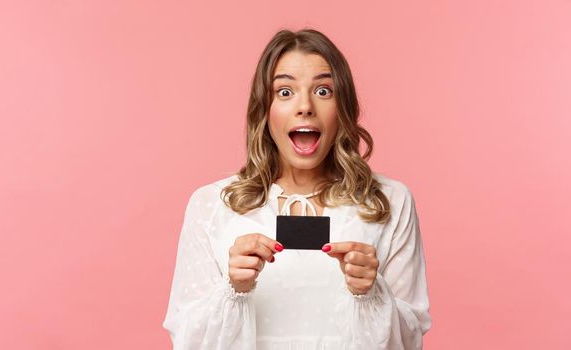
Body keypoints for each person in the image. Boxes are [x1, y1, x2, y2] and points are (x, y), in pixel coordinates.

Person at [162, 28, 431, 349]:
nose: (304, 106)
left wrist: (371, 293)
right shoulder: (211, 204)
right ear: (265, 109)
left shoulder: (389, 201)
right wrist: (232, 289)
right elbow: (186, 341)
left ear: (342, 107)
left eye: (323, 91)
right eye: (285, 92)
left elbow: (410, 340)